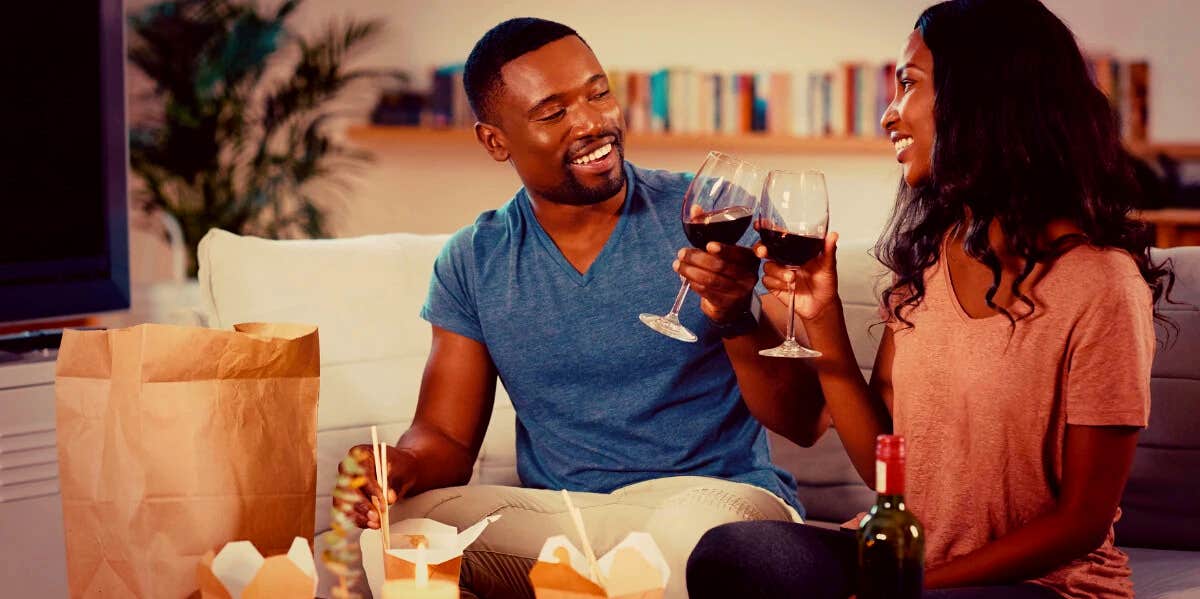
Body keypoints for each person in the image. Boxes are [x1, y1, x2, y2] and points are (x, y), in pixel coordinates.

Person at [687, 0, 1173, 598]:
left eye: (909, 84)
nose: (890, 115)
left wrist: (906, 588)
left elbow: (1080, 524)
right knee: (735, 554)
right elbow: (885, 479)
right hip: (904, 561)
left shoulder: (1101, 284)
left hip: (1039, 583)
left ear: (984, 101)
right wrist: (822, 318)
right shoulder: (931, 260)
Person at [337, 17, 827, 599]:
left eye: (599, 93)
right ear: (496, 141)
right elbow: (444, 434)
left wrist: (733, 314)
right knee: (399, 537)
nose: (594, 123)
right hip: (566, 518)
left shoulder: (713, 217)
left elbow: (800, 420)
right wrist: (400, 468)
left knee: (683, 539)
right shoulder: (474, 259)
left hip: (711, 503)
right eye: (553, 112)